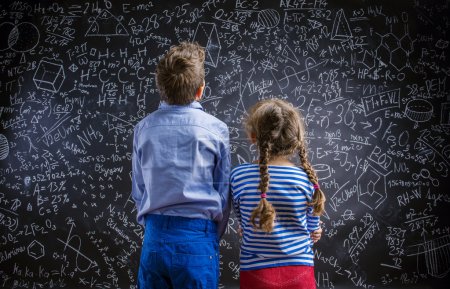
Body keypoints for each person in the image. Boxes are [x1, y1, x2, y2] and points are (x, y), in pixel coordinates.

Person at [131, 41, 231, 289]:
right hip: (198, 236)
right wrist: (208, 236)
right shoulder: (216, 129)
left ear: (160, 88)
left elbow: (138, 188)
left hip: (155, 237)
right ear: (200, 90)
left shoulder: (143, 129)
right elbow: (223, 191)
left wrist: (156, 227)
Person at [230, 98, 325, 289]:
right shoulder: (307, 179)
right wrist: (315, 231)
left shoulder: (238, 176)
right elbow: (312, 229)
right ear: (294, 140)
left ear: (253, 136)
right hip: (300, 271)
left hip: (255, 272)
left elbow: (243, 221)